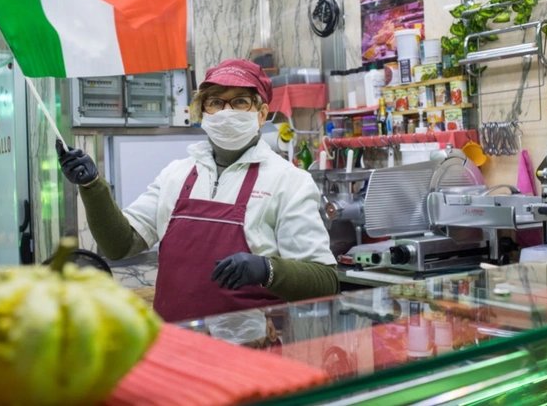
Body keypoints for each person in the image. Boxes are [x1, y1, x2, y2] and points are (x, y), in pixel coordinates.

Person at [57, 58, 338, 322]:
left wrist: (268, 270)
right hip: (175, 348)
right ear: (203, 113)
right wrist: (93, 185)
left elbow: (324, 281)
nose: (227, 112)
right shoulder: (175, 174)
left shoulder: (288, 181)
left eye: (240, 102)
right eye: (216, 102)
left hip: (252, 355)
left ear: (262, 114)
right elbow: (119, 245)